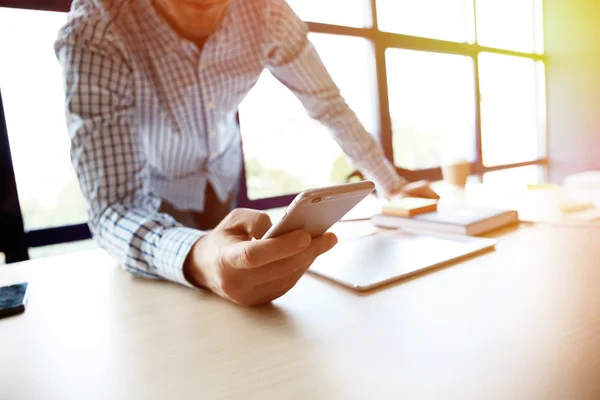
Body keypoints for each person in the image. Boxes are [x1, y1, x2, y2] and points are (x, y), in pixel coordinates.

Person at [54, 0, 438, 306]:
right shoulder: (97, 28)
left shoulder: (267, 12)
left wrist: (392, 185)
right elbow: (114, 208)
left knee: (232, 294)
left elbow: (328, 104)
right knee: (163, 307)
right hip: (152, 195)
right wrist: (196, 256)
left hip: (221, 175)